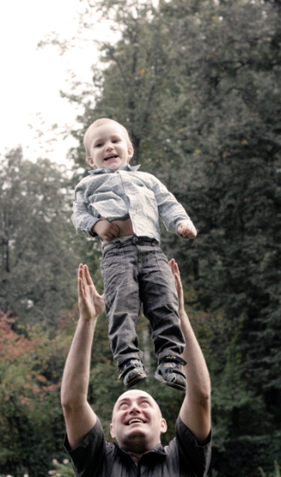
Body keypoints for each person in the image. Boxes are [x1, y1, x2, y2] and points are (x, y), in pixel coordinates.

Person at [71, 118, 197, 390]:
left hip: (152, 251)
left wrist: (181, 222)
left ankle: (170, 360)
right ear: (91, 159)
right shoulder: (87, 185)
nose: (108, 147)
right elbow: (78, 215)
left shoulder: (147, 180)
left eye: (115, 141)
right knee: (122, 305)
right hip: (117, 254)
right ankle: (128, 360)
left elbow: (168, 203)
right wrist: (96, 225)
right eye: (99, 145)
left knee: (165, 301)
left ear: (129, 150)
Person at [61, 260, 211, 476]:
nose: (134, 409)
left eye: (144, 403)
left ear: (163, 424)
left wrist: (177, 315)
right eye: (123, 405)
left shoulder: (184, 458)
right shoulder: (96, 461)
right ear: (112, 429)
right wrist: (87, 320)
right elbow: (72, 404)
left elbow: (200, 397)